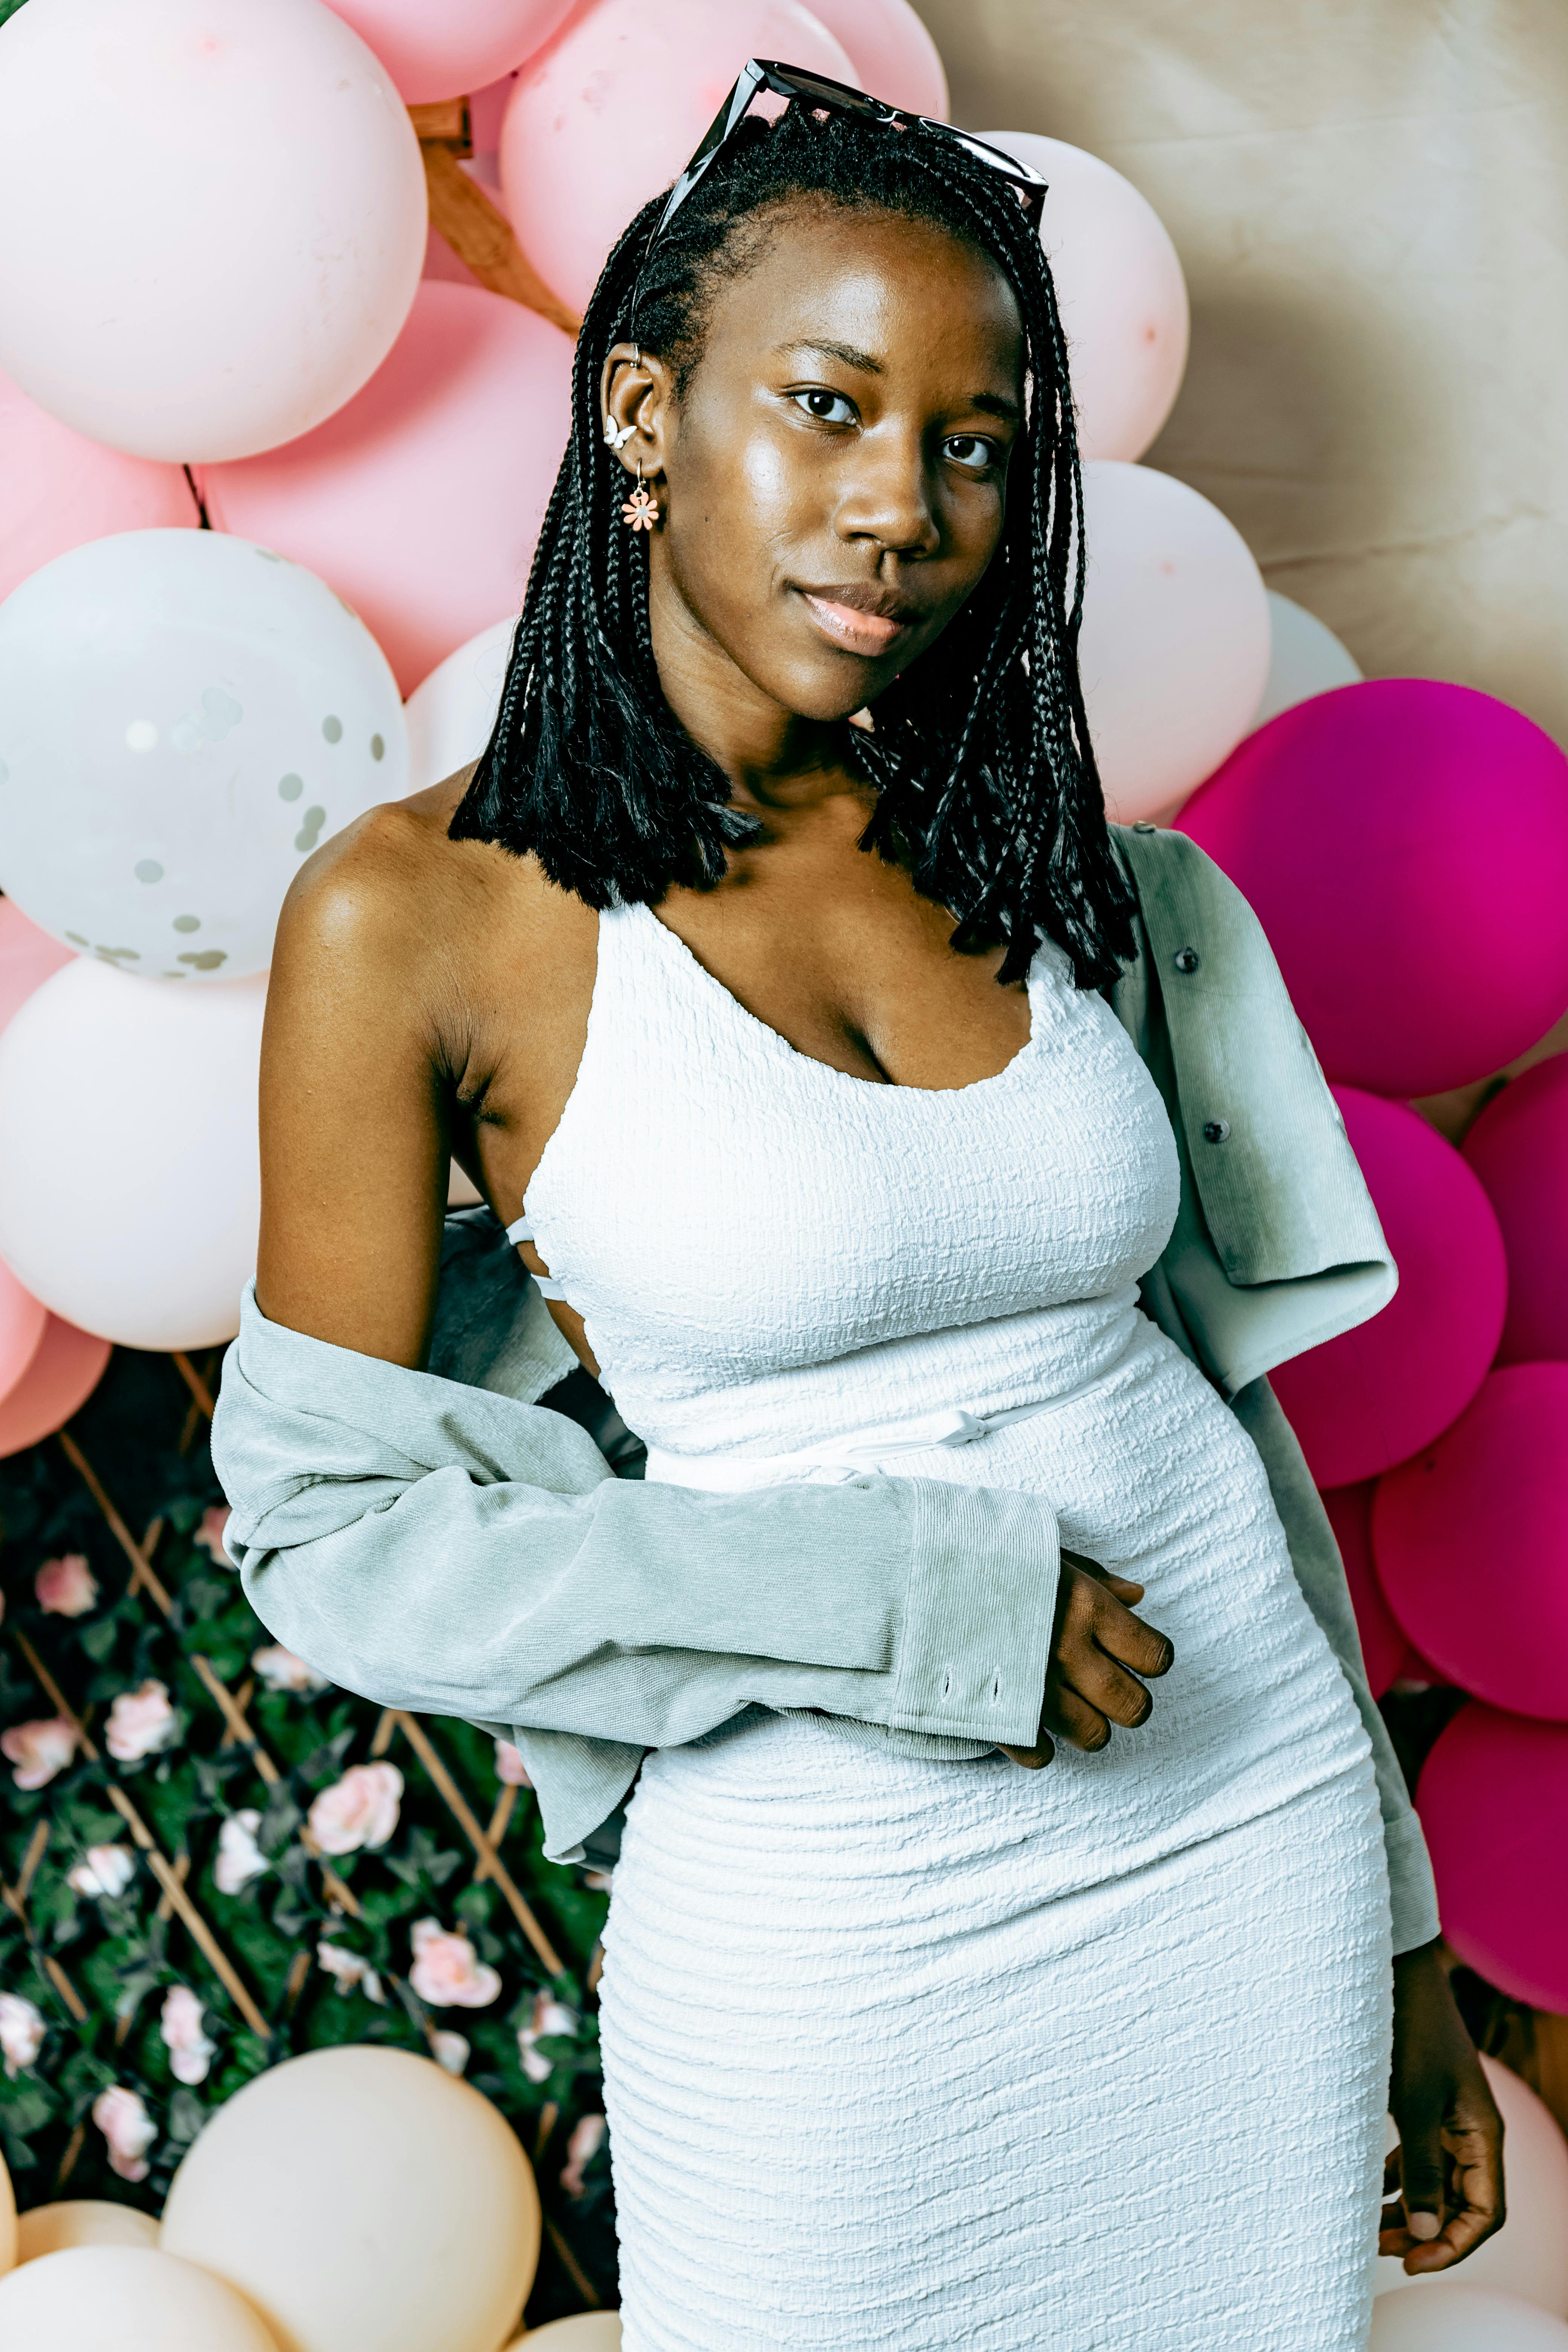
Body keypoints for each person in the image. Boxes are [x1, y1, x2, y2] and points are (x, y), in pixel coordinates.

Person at [216, 66, 1504, 2350]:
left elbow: (1230, 1424)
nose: (900, 505)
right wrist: (906, 1597)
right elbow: (333, 1532)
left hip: (1244, 1839)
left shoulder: (1065, 869)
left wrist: (1401, 1937)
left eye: (978, 443)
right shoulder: (418, 921)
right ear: (641, 410)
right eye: (822, 408)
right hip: (834, 1907)